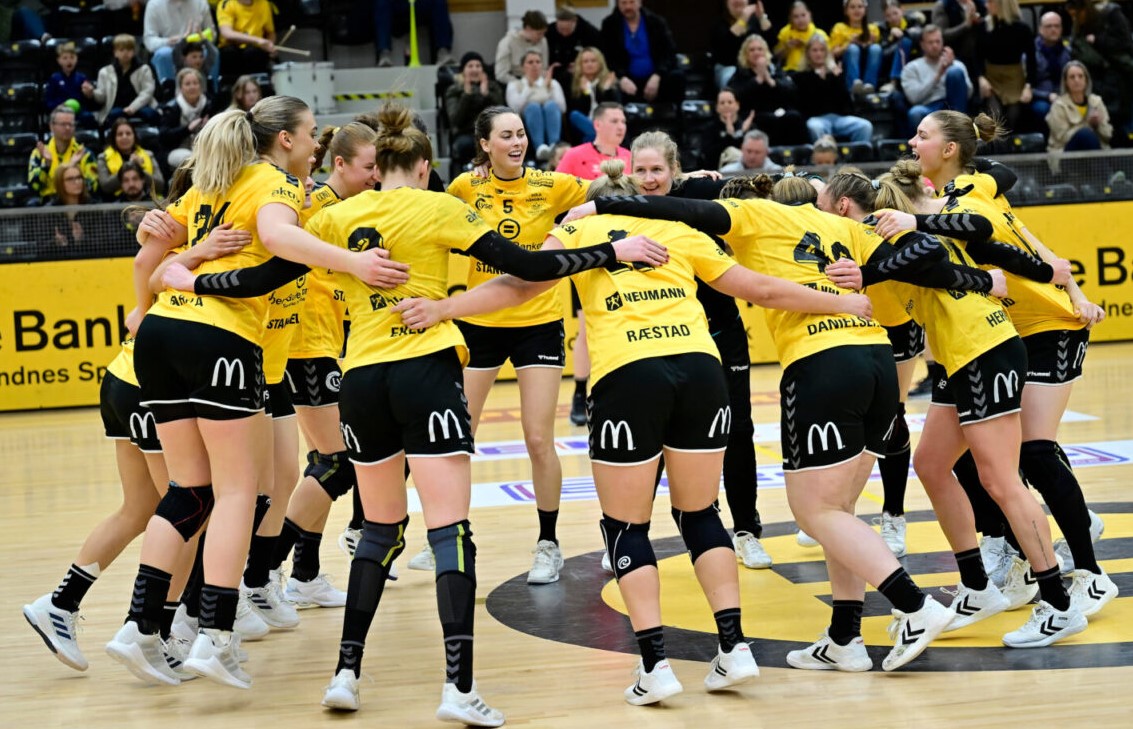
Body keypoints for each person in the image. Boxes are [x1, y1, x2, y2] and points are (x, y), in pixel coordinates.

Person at [179, 103, 665, 718]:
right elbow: (531, 268)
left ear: (377, 165)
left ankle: (345, 675)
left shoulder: (333, 216)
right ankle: (459, 690)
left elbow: (260, 279)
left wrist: (187, 275)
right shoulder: (439, 207)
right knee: (449, 530)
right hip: (427, 372)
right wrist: (611, 252)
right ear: (423, 167)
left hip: (361, 380)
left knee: (378, 530)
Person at [397, 158, 876, 702]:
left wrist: (445, 308)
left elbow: (519, 284)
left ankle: (655, 666)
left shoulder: (577, 229)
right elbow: (762, 289)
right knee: (701, 514)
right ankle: (734, 647)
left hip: (629, 374)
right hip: (701, 370)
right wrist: (842, 302)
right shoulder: (677, 229)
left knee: (626, 526)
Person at [566, 169, 988, 674]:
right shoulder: (843, 226)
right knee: (839, 512)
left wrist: (603, 206)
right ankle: (845, 636)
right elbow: (927, 254)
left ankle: (915, 606)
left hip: (822, 362)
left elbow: (686, 210)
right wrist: (869, 277)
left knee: (817, 512)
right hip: (878, 357)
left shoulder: (757, 215)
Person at [104, 96, 411, 690]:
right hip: (218, 338)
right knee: (241, 491)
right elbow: (276, 237)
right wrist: (355, 263)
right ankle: (217, 633)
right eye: (313, 132)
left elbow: (151, 257)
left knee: (188, 490)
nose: (318, 142)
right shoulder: (275, 183)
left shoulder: (209, 183)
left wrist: (146, 300)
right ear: (285, 140)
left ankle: (141, 627)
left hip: (161, 334)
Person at [880, 109, 1114, 643]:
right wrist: (1051, 273)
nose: (911, 142)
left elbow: (986, 233)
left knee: (1030, 455)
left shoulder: (965, 197)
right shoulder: (974, 184)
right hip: (1003, 328)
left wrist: (1069, 290)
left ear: (949, 149)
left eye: (923, 135)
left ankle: (1085, 571)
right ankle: (1006, 557)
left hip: (1046, 325)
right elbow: (1019, 242)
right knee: (953, 459)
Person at [21, 219, 251, 675]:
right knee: (189, 512)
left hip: (124, 377)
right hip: (144, 383)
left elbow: (149, 261)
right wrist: (147, 304)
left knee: (141, 507)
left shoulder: (206, 231)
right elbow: (146, 260)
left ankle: (60, 604)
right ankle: (155, 630)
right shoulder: (200, 225)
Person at [408, 105, 593, 584]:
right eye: (506, 136)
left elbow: (612, 191)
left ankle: (548, 543)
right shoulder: (464, 187)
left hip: (538, 323)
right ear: (485, 145)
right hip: (480, 321)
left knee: (538, 438)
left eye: (521, 134)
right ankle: (445, 533)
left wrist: (681, 180)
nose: (517, 142)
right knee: (457, 435)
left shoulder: (553, 185)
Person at [631, 130, 771, 569]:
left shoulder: (702, 191)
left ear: (675, 170)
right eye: (641, 170)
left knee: (738, 428)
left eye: (658, 170)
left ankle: (746, 530)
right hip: (660, 335)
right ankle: (631, 533)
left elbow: (760, 190)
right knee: (655, 433)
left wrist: (695, 178)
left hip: (720, 330)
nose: (649, 179)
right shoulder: (618, 203)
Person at [269, 121, 381, 608]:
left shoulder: (349, 206)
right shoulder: (313, 204)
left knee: (325, 462)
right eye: (369, 166)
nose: (376, 176)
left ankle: (305, 575)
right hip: (304, 342)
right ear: (340, 163)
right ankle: (261, 569)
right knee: (339, 463)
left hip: (326, 341)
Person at [791, 34, 874, 143]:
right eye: (814, 50)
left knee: (865, 126)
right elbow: (807, 104)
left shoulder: (835, 74)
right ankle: (822, 153)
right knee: (815, 127)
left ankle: (858, 153)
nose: (819, 54)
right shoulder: (800, 76)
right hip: (817, 118)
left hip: (839, 118)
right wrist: (819, 80)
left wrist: (837, 79)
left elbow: (846, 102)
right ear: (808, 53)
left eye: (822, 50)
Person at [1066, 0, 1133, 134]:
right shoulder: (1079, 26)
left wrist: (1098, 40)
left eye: (1075, 15)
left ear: (1084, 9)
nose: (1074, 19)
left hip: (1118, 73)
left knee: (1121, 121)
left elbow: (1126, 43)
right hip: (1095, 77)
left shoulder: (1112, 13)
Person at [727, 34, 808, 145]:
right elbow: (735, 94)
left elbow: (791, 90)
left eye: (760, 49)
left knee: (795, 117)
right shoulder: (741, 73)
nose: (756, 53)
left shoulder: (774, 69)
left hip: (779, 110)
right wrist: (758, 80)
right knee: (768, 120)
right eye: (752, 50)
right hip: (754, 113)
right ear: (745, 55)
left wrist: (771, 81)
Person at [599, 0, 686, 103]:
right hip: (627, 78)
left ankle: (674, 112)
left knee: (677, 77)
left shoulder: (656, 22)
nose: (628, 7)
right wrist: (621, 77)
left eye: (632, 2)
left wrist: (657, 75)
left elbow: (669, 52)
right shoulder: (609, 25)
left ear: (640, 3)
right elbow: (608, 56)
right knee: (609, 85)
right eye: (623, 3)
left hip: (656, 77)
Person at [974, 0, 1036, 133]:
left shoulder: (1022, 29)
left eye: (990, 2)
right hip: (991, 78)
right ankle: (995, 144)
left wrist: (1028, 86)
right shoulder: (983, 26)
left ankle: (1010, 144)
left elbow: (1032, 60)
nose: (986, 5)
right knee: (994, 115)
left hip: (1014, 78)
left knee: (1014, 115)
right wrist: (980, 78)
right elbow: (976, 57)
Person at [899, 24, 972, 133]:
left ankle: (959, 131)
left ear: (943, 42)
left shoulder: (956, 65)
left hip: (953, 107)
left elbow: (969, 94)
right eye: (930, 42)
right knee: (915, 113)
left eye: (938, 41)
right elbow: (914, 98)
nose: (935, 45)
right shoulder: (911, 68)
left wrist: (951, 66)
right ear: (922, 45)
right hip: (929, 107)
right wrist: (938, 75)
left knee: (955, 72)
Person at [446, 52, 506, 171]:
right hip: (465, 133)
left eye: (478, 66)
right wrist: (467, 96)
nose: (475, 69)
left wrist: (486, 95)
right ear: (463, 70)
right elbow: (455, 120)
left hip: (491, 132)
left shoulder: (493, 87)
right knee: (466, 144)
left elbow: (501, 114)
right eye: (470, 66)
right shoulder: (454, 90)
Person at [506, 50, 567, 162]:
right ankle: (540, 148)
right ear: (522, 66)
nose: (534, 65)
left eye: (538, 62)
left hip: (551, 119)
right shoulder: (514, 84)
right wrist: (528, 88)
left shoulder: (552, 83)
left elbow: (562, 108)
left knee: (551, 106)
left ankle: (554, 145)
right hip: (525, 122)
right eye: (530, 62)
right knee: (533, 107)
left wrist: (550, 88)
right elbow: (514, 109)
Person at [143, 0, 220, 88]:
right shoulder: (154, 4)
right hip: (170, 46)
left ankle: (211, 91)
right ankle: (169, 91)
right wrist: (167, 41)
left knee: (211, 52)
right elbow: (149, 40)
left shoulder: (201, 2)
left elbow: (212, 34)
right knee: (164, 54)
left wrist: (200, 37)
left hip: (196, 45)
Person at [87, 34, 159, 128]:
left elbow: (147, 92)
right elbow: (102, 97)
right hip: (117, 107)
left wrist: (133, 107)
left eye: (129, 50)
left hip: (141, 106)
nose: (125, 53)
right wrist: (92, 93)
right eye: (121, 50)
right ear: (115, 52)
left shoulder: (144, 69)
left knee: (152, 115)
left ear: (134, 51)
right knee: (113, 115)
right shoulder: (105, 72)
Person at [28, 105, 98, 202]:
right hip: (48, 204)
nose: (67, 128)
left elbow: (93, 187)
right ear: (51, 126)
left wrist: (72, 168)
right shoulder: (39, 153)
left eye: (71, 124)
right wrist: (46, 166)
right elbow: (34, 187)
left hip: (77, 202)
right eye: (63, 124)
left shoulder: (84, 154)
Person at [1046, 61, 1112, 151]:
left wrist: (1098, 125)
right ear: (1066, 82)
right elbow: (1062, 137)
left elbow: (1108, 135)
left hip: (1096, 149)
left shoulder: (1096, 102)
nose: (1077, 80)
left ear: (1086, 80)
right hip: (1066, 152)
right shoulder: (1058, 105)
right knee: (1085, 135)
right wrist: (1088, 124)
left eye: (1080, 76)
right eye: (1072, 77)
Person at [556, 102, 629, 179]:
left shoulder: (630, 157)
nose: (621, 127)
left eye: (623, 122)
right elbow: (555, 184)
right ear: (597, 125)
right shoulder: (574, 156)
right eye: (614, 121)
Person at [158, 67, 212, 172]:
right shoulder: (172, 108)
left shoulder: (209, 104)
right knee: (192, 159)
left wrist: (209, 127)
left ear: (201, 86)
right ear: (181, 87)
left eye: (195, 83)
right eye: (187, 84)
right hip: (176, 149)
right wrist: (187, 129)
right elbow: (163, 136)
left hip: (203, 148)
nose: (192, 87)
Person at [711, 0, 773, 90]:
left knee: (773, 72)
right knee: (730, 78)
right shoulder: (719, 24)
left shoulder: (755, 20)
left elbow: (772, 43)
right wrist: (743, 19)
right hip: (729, 67)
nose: (737, 1)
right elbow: (726, 49)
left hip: (757, 64)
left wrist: (762, 17)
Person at [97, 118, 165, 200]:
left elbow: (160, 185)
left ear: (134, 136)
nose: (124, 137)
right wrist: (127, 167)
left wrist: (141, 169)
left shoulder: (148, 154)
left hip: (148, 200)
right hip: (116, 203)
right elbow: (105, 187)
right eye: (120, 134)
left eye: (128, 133)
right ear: (114, 138)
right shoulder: (103, 157)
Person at [374, 0, 455, 67]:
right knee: (381, 2)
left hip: (419, 4)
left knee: (438, 1)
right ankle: (384, 53)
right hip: (395, 5)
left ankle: (442, 52)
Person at [565, 46, 621, 142]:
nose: (589, 64)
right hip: (584, 124)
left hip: (605, 123)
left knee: (589, 138)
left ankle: (597, 138)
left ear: (600, 63)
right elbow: (577, 111)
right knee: (574, 115)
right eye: (585, 61)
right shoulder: (574, 83)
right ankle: (600, 137)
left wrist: (606, 90)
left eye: (593, 61)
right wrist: (586, 92)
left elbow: (615, 108)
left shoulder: (609, 81)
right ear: (580, 65)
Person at [829, 0, 883, 96]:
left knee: (876, 48)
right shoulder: (839, 27)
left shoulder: (873, 28)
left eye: (860, 7)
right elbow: (834, 53)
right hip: (847, 61)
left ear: (865, 10)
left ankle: (869, 86)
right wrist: (849, 43)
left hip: (867, 60)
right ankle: (853, 86)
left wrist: (868, 43)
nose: (856, 10)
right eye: (852, 7)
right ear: (846, 11)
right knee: (853, 48)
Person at [546, 5, 603, 89]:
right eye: (561, 29)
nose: (564, 33)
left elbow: (598, 54)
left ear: (575, 22)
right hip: (557, 72)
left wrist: (580, 64)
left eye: (567, 30)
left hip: (582, 71)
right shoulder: (549, 32)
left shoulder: (589, 32)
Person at [216, 0, 276, 79]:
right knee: (230, 53)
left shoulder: (264, 4)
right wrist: (257, 40)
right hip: (231, 49)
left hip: (254, 51)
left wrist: (270, 45)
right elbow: (226, 33)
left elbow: (270, 32)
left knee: (252, 53)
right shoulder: (226, 4)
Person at [45, 42, 97, 127]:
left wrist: (89, 94)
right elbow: (49, 102)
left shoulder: (82, 78)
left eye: (72, 57)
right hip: (61, 112)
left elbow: (88, 102)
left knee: (89, 117)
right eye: (65, 58)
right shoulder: (54, 78)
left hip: (78, 113)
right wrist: (61, 105)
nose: (69, 61)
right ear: (59, 60)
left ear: (76, 59)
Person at [1031, 11, 1070, 123]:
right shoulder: (1031, 52)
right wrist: (1048, 96)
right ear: (1040, 29)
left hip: (1065, 93)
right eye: (1049, 26)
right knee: (1043, 109)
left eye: (1057, 26)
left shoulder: (1068, 51)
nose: (1053, 29)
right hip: (1040, 96)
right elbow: (1025, 87)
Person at [495, 9, 549, 85]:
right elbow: (501, 74)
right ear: (528, 28)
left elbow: (544, 68)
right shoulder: (507, 42)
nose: (542, 37)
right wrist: (522, 84)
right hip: (515, 80)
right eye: (539, 33)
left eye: (544, 33)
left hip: (537, 81)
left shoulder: (543, 41)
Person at [932, 0, 984, 77]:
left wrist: (979, 22)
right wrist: (966, 25)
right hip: (954, 58)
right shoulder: (943, 5)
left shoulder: (978, 3)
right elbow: (941, 35)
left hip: (977, 59)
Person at [708, 87, 754, 169]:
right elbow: (710, 156)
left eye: (730, 102)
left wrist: (743, 133)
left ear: (737, 105)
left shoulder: (749, 127)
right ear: (717, 108)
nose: (726, 105)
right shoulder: (710, 129)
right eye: (722, 103)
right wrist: (729, 136)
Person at [774, 1, 828, 72]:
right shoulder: (785, 32)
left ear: (810, 15)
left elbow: (828, 57)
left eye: (803, 15)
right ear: (790, 18)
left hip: (813, 71)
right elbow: (776, 56)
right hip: (791, 71)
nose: (801, 20)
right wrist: (786, 47)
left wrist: (807, 46)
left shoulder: (820, 34)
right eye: (796, 16)